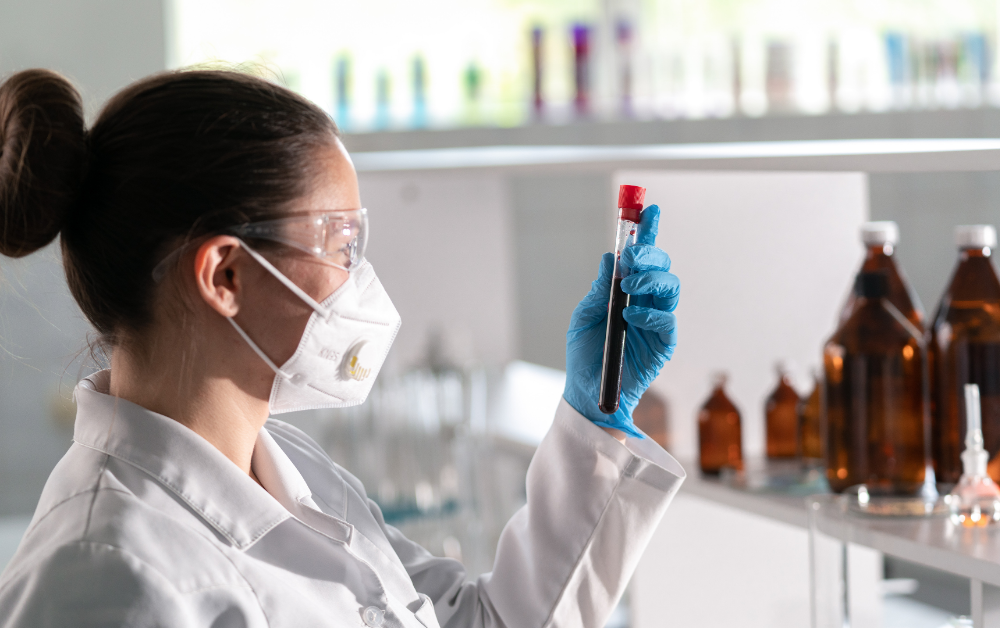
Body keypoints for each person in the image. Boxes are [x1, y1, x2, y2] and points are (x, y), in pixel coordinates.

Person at [0, 68, 683, 627]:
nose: (360, 279)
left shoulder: (291, 467)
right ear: (225, 275)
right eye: (341, 245)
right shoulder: (106, 577)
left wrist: (595, 410)